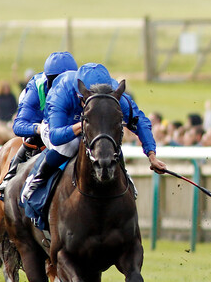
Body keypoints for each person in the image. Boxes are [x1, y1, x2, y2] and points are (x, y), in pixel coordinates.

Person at [20, 63, 167, 203]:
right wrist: (80, 126)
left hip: (92, 122)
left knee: (109, 140)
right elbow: (55, 136)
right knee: (70, 145)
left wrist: (152, 155)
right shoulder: (62, 91)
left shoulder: (114, 94)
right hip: (59, 126)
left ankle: (124, 176)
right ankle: (37, 179)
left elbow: (140, 121)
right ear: (81, 94)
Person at [0, 51, 78, 194]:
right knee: (33, 139)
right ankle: (11, 174)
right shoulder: (36, 89)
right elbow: (18, 126)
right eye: (58, 80)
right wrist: (38, 128)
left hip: (60, 117)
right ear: (49, 79)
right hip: (38, 118)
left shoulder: (77, 86)